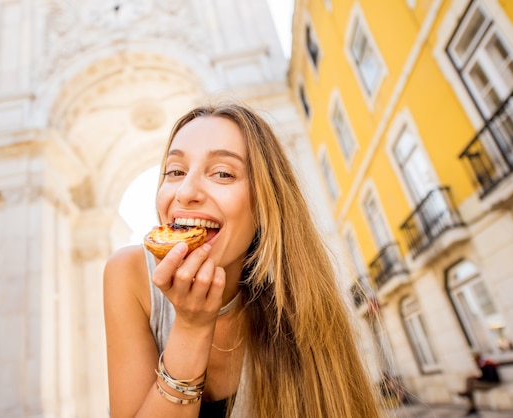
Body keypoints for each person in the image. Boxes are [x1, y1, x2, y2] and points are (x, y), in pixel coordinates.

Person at [103, 103, 382, 417]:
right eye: (175, 171)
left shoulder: (303, 304)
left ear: (265, 202)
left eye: (223, 173)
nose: (185, 192)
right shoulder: (129, 274)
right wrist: (191, 330)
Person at [458, 351, 501, 416]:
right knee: (469, 379)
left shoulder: (487, 364)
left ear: (477, 358)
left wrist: (479, 380)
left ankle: (472, 406)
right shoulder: (481, 364)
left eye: (474, 359)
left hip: (492, 383)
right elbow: (485, 376)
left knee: (471, 389)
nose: (474, 361)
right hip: (487, 381)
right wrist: (477, 378)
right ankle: (469, 399)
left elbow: (490, 378)